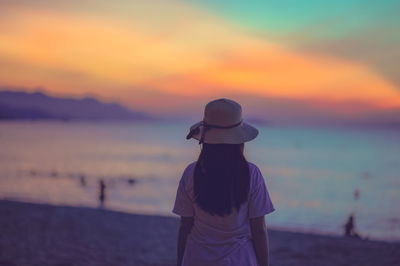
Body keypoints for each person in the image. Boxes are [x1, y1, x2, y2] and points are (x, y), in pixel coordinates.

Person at [173, 98, 275, 266]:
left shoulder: (191, 172)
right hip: (240, 260)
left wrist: (179, 262)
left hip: (197, 259)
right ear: (239, 140)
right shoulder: (251, 174)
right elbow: (259, 229)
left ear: (205, 139)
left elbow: (185, 226)